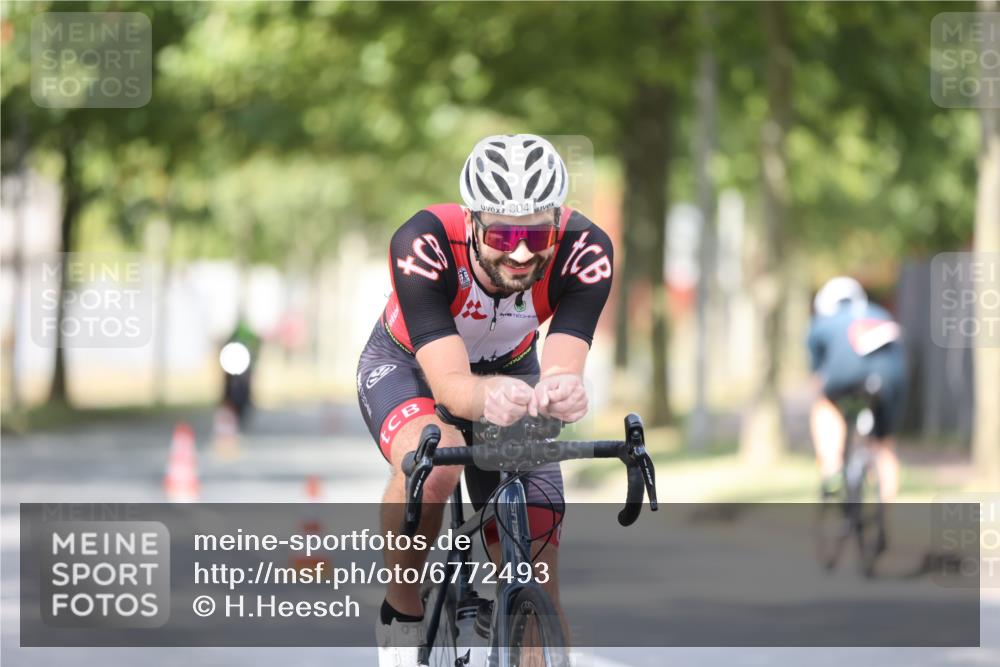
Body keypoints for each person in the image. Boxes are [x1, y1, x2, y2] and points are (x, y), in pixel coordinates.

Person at [356, 134, 613, 665]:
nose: (520, 252)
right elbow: (451, 385)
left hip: (512, 370)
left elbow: (561, 365)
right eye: (502, 233)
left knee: (540, 571)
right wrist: (485, 394)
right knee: (435, 463)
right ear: (472, 221)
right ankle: (401, 612)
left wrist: (562, 388)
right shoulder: (423, 242)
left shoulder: (586, 251)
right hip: (411, 365)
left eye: (536, 234)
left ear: (557, 223)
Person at [807, 276, 907, 508]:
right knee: (884, 444)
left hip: (845, 375)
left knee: (824, 406)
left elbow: (817, 375)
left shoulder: (822, 323)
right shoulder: (880, 314)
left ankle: (831, 468)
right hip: (891, 376)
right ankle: (885, 511)